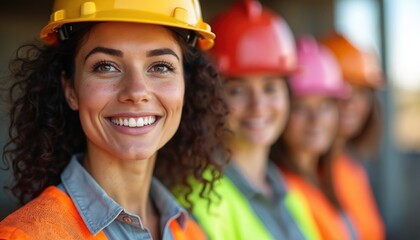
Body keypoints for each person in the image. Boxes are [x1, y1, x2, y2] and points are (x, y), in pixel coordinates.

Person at [0, 0, 228, 239]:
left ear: (186, 85)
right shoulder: (26, 235)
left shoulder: (190, 233)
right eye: (106, 66)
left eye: (160, 67)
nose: (136, 92)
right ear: (71, 89)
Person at [175, 1, 307, 239]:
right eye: (237, 90)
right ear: (207, 97)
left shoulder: (289, 190)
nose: (258, 106)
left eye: (270, 88)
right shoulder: (196, 201)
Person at [272, 35, 357, 239]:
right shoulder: (279, 187)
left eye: (325, 106)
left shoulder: (330, 175)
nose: (316, 119)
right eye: (301, 108)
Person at [322, 32, 386, 240]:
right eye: (340, 90)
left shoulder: (353, 170)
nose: (350, 103)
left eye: (360, 92)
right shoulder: (300, 175)